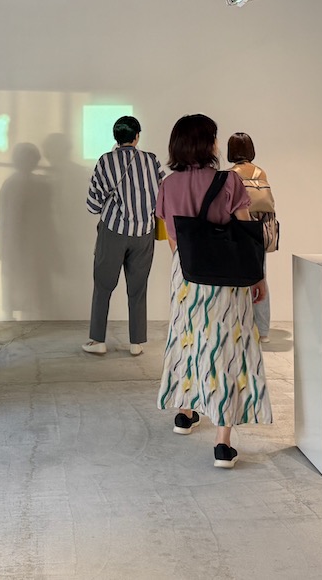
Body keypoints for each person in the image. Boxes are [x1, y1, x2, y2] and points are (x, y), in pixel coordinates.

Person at [156, 114, 271, 469]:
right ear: (207, 144)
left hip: (186, 279)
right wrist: (258, 278)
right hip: (227, 281)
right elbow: (244, 236)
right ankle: (222, 443)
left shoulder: (168, 185)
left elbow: (172, 239)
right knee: (226, 350)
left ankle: (185, 413)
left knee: (188, 340)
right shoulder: (229, 181)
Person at [82, 115, 164, 356]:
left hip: (113, 231)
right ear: (137, 136)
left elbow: (92, 205)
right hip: (144, 232)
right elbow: (163, 195)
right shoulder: (152, 160)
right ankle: (136, 343)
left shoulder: (106, 161)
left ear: (115, 138)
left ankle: (98, 340)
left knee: (103, 286)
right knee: (138, 288)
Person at [227, 131, 275, 342]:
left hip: (237, 231)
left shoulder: (230, 175)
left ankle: (238, 326)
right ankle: (263, 331)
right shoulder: (260, 173)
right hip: (259, 230)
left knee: (236, 281)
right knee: (260, 278)